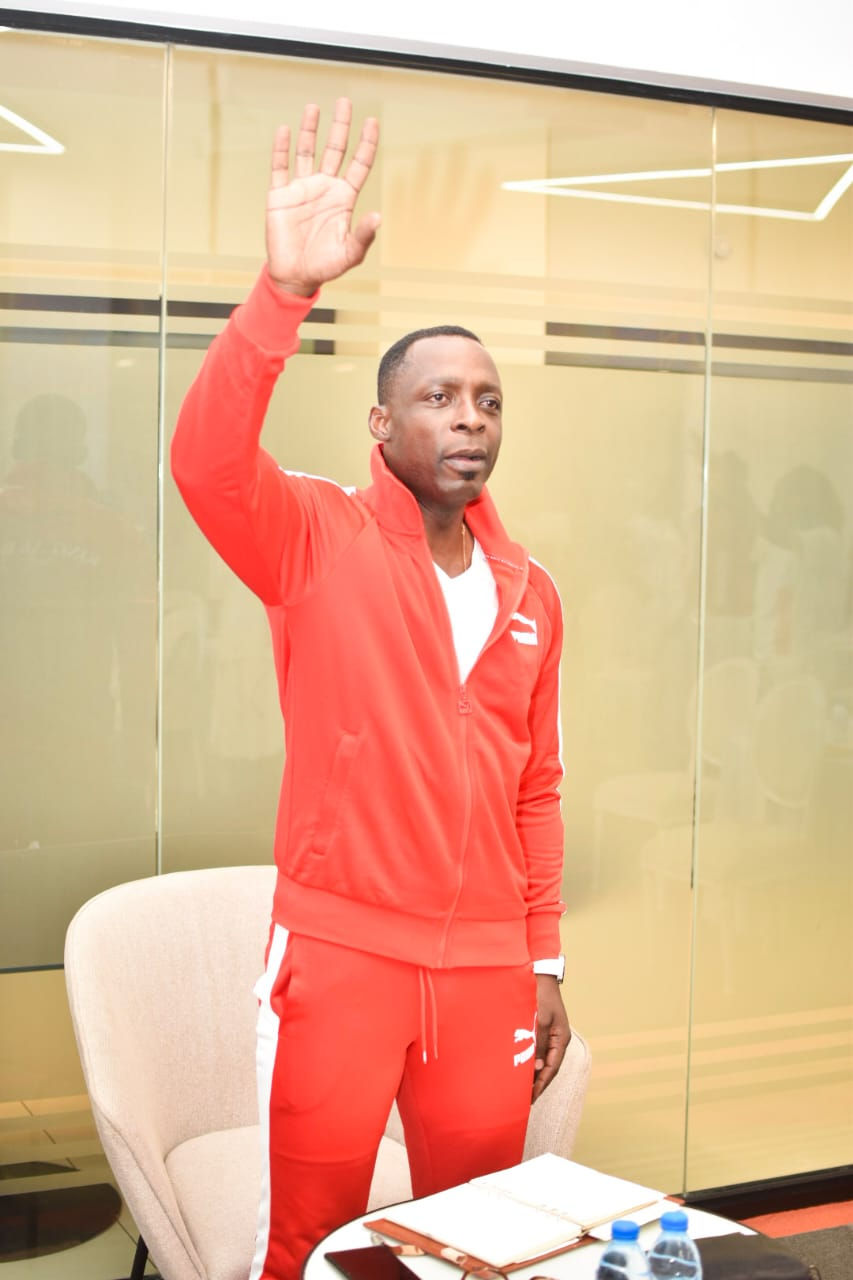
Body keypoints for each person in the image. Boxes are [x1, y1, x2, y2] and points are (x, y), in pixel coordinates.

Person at [171, 98, 571, 1280]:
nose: (469, 417)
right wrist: (282, 293)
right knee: (311, 1241)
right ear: (381, 421)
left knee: (476, 1237)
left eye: (487, 399)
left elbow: (536, 788)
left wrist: (543, 963)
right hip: (342, 956)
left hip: (487, 969)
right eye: (439, 396)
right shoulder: (317, 536)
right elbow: (204, 464)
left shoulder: (532, 590)